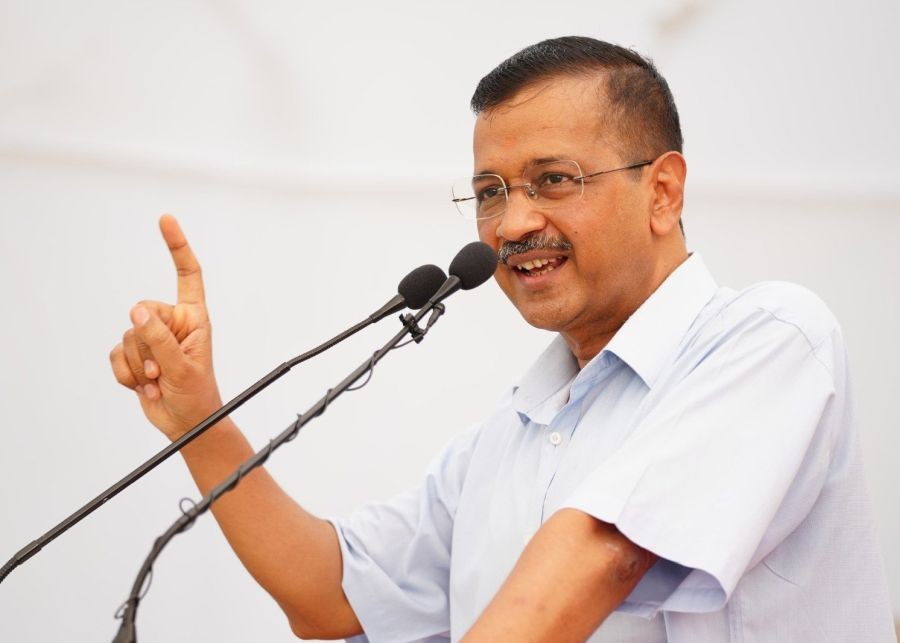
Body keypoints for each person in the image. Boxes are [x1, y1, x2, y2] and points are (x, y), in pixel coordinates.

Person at [109, 37, 895, 642]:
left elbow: (598, 556)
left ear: (662, 190)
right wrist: (197, 416)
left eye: (553, 180)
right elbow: (333, 595)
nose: (513, 224)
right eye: (489, 193)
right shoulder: (508, 437)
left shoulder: (772, 339)